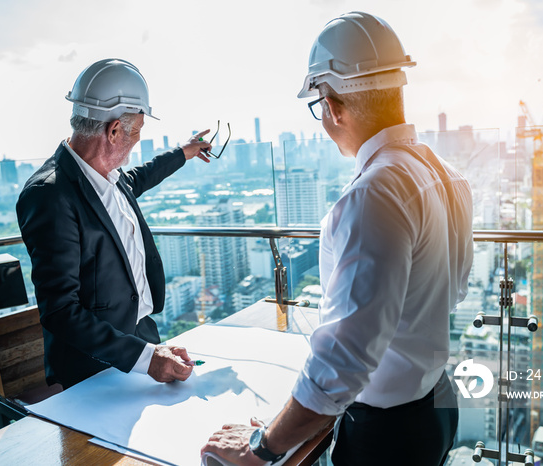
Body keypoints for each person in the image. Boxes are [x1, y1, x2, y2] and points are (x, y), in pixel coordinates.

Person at [201, 12, 473, 465]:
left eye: (318, 107)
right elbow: (454, 290)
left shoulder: (374, 195)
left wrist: (262, 446)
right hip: (437, 405)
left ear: (332, 106)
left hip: (387, 436)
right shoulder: (444, 174)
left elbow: (341, 365)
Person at [16, 58, 212, 389]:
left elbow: (141, 176)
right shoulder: (49, 195)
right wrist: (145, 358)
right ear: (114, 131)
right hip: (93, 367)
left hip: (140, 338)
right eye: (137, 132)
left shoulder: (109, 177)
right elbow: (61, 310)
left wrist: (185, 152)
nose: (137, 142)